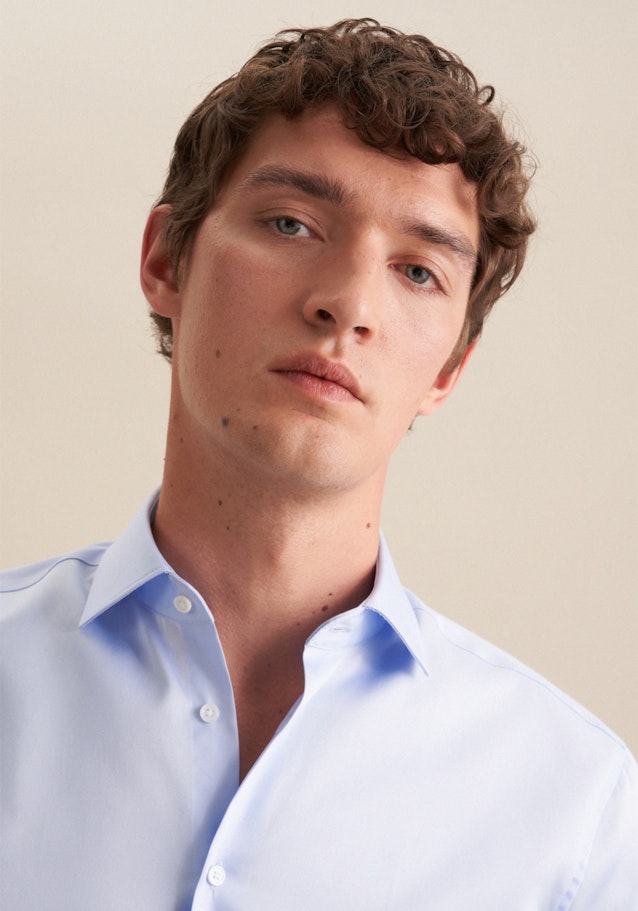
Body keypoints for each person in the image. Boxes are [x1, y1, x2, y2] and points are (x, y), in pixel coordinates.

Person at [1, 18, 636, 911]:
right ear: (166, 260)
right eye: (292, 223)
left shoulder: (577, 812)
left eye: (418, 271)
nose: (348, 303)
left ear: (450, 367)